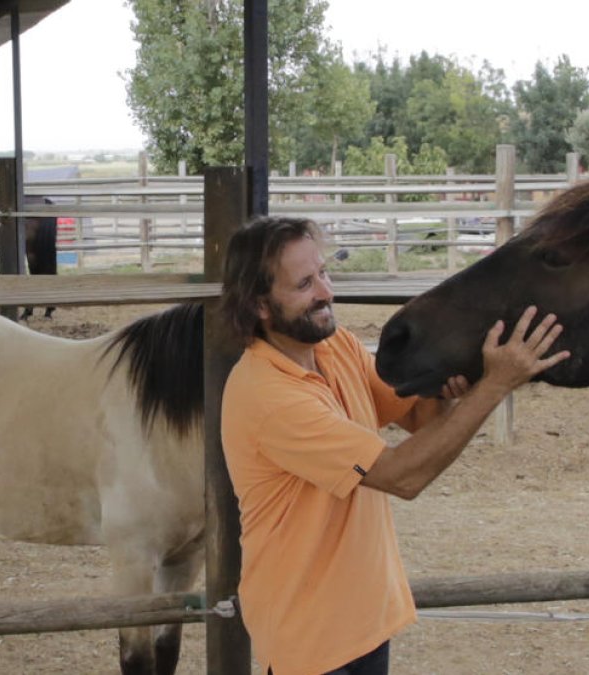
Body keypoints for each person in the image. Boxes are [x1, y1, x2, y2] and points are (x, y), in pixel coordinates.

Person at [219, 216, 569, 675]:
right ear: (260, 306)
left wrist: (447, 390)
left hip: (363, 617)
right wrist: (496, 384)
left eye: (323, 272)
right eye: (304, 284)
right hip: (309, 636)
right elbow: (402, 476)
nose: (325, 291)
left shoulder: (335, 346)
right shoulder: (269, 395)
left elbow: (417, 416)